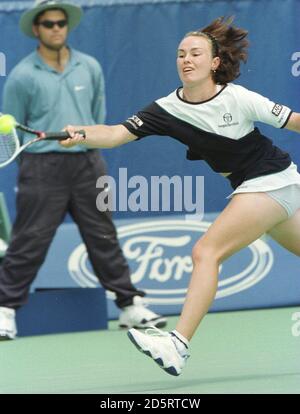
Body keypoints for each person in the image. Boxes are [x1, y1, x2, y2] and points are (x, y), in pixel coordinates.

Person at [61, 16, 300, 376]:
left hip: (271, 180)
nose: (186, 60)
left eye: (196, 54)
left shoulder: (239, 98)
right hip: (262, 186)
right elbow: (114, 134)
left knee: (206, 252)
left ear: (215, 62)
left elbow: (294, 120)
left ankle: (177, 345)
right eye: (181, 54)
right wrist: (82, 133)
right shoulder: (166, 109)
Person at [0, 0, 167, 341]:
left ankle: (129, 306)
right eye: (48, 23)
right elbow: (13, 130)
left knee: (103, 236)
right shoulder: (21, 76)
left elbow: (96, 115)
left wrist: (87, 144)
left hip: (88, 163)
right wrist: (36, 166)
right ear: (37, 29)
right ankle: (4, 310)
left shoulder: (89, 67)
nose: (56, 28)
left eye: (61, 22)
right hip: (42, 167)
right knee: (29, 241)